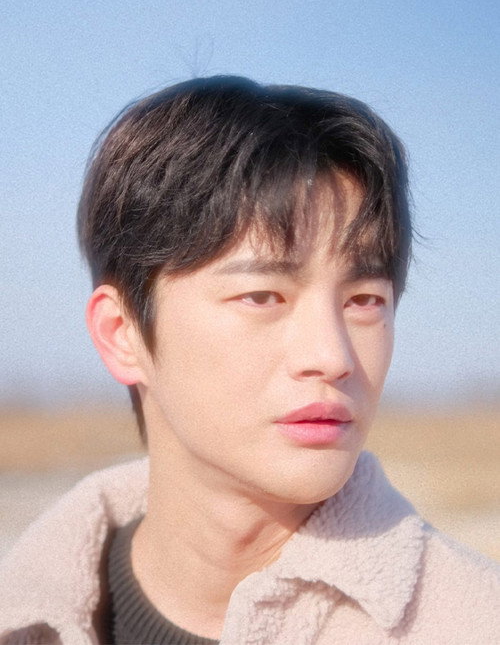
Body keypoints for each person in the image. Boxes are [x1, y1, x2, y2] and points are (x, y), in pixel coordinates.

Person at [1, 76, 498, 645]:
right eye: (262, 296)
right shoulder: (26, 614)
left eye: (364, 301)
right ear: (122, 333)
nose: (331, 357)